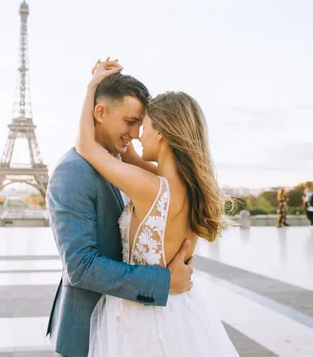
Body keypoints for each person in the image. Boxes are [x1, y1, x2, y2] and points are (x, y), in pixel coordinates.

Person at [78, 58, 238, 356]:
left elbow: (86, 147)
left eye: (145, 125)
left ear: (163, 132)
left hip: (141, 319)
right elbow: (125, 155)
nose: (138, 134)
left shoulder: (150, 187)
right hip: (180, 310)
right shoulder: (185, 186)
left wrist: (92, 88)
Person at [46, 60, 197, 357]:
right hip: (88, 334)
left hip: (129, 329)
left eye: (141, 124)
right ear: (99, 113)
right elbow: (80, 267)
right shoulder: (73, 171)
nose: (136, 134)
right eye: (130, 122)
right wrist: (163, 282)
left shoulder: (123, 166)